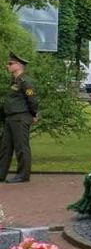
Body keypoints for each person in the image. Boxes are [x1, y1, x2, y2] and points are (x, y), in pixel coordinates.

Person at [1, 52, 38, 184]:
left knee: (21, 147)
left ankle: (23, 175)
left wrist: (34, 114)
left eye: (11, 63)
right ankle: (1, 174)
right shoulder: (15, 81)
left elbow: (32, 99)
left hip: (20, 117)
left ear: (19, 65)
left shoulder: (25, 81)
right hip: (11, 118)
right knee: (5, 148)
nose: (8, 66)